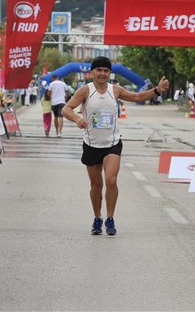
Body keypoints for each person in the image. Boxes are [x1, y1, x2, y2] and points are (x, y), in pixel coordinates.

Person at [61, 56, 170, 236]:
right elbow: (66, 109)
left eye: (106, 70)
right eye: (99, 70)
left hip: (112, 143)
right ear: (92, 72)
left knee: (111, 180)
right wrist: (77, 119)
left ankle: (110, 218)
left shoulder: (116, 90)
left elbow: (137, 96)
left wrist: (157, 90)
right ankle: (97, 218)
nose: (102, 73)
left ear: (110, 73)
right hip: (91, 144)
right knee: (96, 184)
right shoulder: (85, 91)